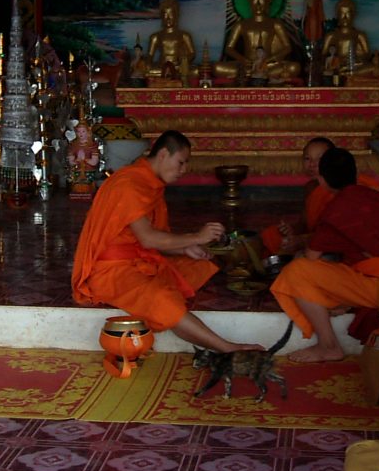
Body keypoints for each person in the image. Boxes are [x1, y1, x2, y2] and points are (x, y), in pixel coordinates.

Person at [72, 130, 262, 353]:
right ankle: (227, 348)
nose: (183, 170)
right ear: (163, 154)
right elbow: (148, 238)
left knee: (202, 265)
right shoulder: (129, 184)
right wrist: (197, 237)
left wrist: (186, 247)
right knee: (164, 300)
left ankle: (173, 307)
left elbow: (155, 239)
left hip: (140, 259)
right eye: (181, 162)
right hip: (111, 271)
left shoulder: (150, 183)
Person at [269, 147, 379, 362]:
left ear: (322, 180)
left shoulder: (336, 211)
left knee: (296, 271)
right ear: (354, 174)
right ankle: (343, 303)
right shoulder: (372, 194)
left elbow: (311, 258)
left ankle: (328, 346)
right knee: (341, 263)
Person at [215, 0, 301, 82]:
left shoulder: (275, 24)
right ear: (250, 1)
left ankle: (254, 74)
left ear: (268, 0)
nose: (258, 3)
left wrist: (270, 60)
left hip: (268, 65)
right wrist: (244, 60)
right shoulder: (242, 24)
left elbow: (287, 47)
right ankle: (253, 73)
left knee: (294, 67)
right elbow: (229, 48)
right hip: (247, 64)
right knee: (217, 67)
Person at [321, 0, 379, 77]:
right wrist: (335, 61)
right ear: (337, 15)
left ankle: (348, 73)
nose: (345, 17)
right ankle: (346, 73)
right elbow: (323, 56)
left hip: (354, 65)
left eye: (348, 13)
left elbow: (366, 56)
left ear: (353, 15)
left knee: (374, 67)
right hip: (337, 66)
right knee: (324, 69)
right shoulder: (331, 35)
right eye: (342, 13)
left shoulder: (359, 35)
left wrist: (356, 60)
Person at [146, 0, 196, 82]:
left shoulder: (184, 35)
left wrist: (184, 62)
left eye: (171, 14)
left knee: (195, 71)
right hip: (161, 66)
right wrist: (148, 64)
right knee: (149, 70)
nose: (168, 18)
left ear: (176, 16)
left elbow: (192, 53)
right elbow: (150, 55)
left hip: (178, 67)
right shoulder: (156, 36)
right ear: (161, 16)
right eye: (165, 14)